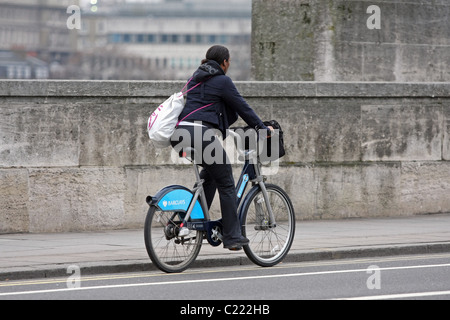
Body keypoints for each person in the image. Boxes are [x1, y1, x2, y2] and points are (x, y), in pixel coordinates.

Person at [170, 45, 272, 250]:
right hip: (200, 134)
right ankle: (233, 237)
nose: (229, 65)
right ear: (224, 62)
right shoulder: (222, 81)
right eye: (229, 62)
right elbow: (242, 107)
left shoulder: (194, 79)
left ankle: (195, 221)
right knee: (226, 181)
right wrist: (262, 128)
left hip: (179, 134)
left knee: (210, 175)